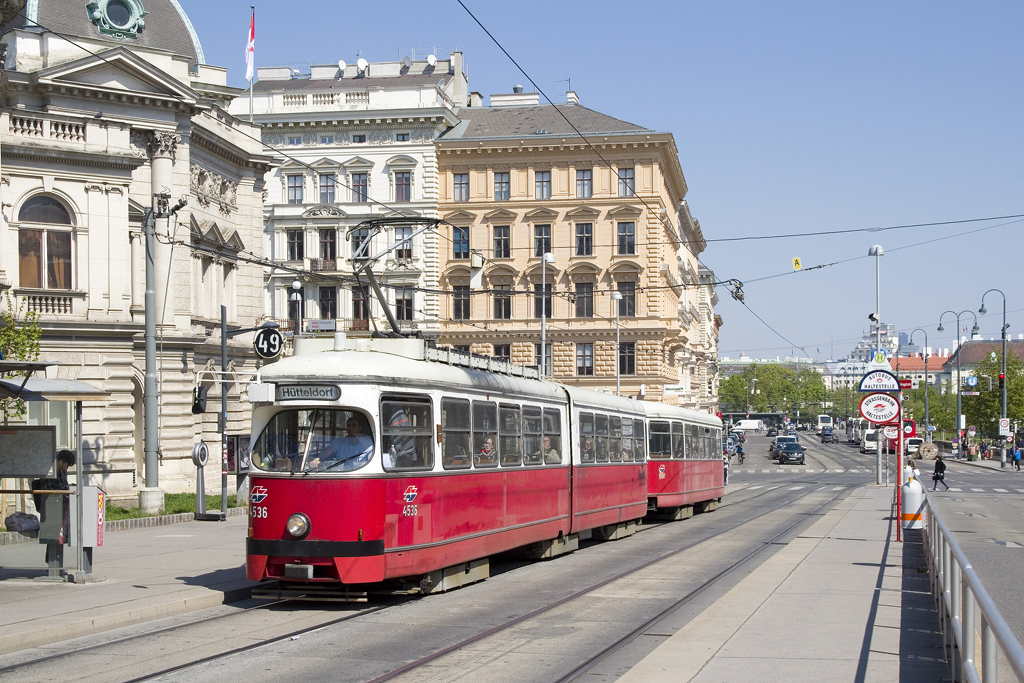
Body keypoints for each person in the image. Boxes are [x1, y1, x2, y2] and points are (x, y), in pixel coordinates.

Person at [309, 418, 373, 471]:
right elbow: (327, 452)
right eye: (349, 426)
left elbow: (372, 462)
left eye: (354, 425)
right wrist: (317, 459)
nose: (351, 428)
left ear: (359, 428)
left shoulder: (368, 443)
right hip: (341, 473)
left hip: (360, 473)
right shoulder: (339, 442)